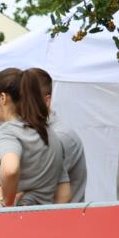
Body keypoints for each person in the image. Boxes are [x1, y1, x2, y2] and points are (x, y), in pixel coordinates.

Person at [0, 68, 68, 211]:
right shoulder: (50, 133)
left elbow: (10, 169)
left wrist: (8, 204)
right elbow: (65, 192)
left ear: (3, 98)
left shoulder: (9, 132)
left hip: (13, 223)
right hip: (43, 220)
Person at [30, 67, 87, 203]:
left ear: (46, 100)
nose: (20, 106)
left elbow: (37, 188)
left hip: (63, 221)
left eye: (27, 100)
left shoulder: (61, 137)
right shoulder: (33, 134)